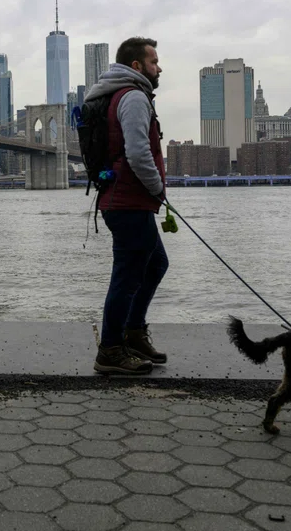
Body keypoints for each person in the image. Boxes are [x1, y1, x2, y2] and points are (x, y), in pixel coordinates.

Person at [83, 36, 168, 376]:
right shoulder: (133, 97)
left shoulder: (124, 93)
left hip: (128, 198)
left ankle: (133, 332)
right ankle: (111, 350)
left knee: (155, 264)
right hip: (128, 200)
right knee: (128, 275)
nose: (159, 67)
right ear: (136, 66)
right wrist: (158, 188)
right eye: (154, 61)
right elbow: (137, 152)